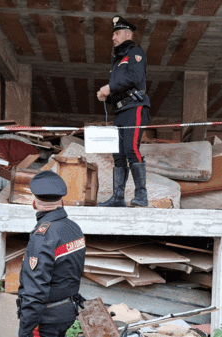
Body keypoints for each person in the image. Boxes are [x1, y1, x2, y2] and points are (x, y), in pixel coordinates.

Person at [15, 170, 86, 337]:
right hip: (66, 310)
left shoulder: (42, 236)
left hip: (45, 318)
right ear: (61, 200)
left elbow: (35, 292)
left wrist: (23, 333)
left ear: (34, 201)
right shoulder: (73, 228)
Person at [97, 15, 151, 208]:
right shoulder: (117, 60)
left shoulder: (135, 52)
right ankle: (118, 198)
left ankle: (141, 196)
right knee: (118, 154)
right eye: (113, 34)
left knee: (131, 148)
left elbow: (134, 77)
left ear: (128, 35)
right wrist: (107, 95)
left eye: (117, 33)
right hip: (120, 111)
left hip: (134, 107)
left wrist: (109, 87)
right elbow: (119, 86)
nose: (113, 37)